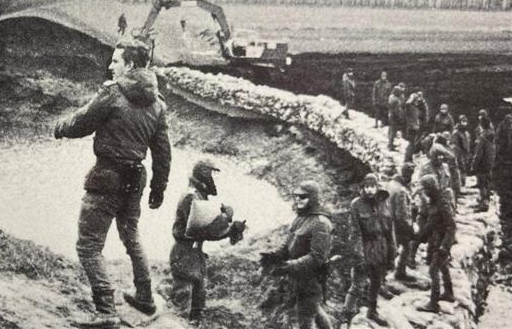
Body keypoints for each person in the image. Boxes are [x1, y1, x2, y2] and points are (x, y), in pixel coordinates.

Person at [54, 38, 171, 327]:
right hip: (135, 179)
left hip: (107, 177)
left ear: (130, 65)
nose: (110, 65)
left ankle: (105, 311)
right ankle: (144, 296)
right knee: (131, 235)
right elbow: (162, 152)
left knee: (88, 246)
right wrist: (159, 188)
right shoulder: (157, 103)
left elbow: (82, 123)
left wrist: (59, 127)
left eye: (116, 60)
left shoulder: (113, 93)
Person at [169, 160, 244, 324]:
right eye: (212, 174)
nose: (214, 179)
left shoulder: (197, 196)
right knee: (181, 312)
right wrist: (226, 221)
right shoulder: (192, 197)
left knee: (196, 308)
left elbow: (205, 229)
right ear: (204, 176)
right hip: (185, 256)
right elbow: (202, 230)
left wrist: (228, 226)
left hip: (193, 256)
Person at [260, 181, 334, 329]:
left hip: (310, 280)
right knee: (315, 310)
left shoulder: (321, 223)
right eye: (296, 196)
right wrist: (275, 256)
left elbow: (316, 258)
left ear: (313, 198)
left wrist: (288, 266)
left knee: (306, 320)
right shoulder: (300, 218)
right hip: (295, 277)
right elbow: (288, 245)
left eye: (303, 196)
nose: (298, 199)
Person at [342, 174, 396, 326]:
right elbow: (355, 233)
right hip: (365, 247)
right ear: (363, 188)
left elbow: (389, 229)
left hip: (381, 248)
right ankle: (347, 316)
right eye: (367, 187)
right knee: (357, 284)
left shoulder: (384, 202)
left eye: (373, 186)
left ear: (377, 186)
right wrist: (359, 257)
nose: (370, 190)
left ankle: (372, 311)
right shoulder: (356, 205)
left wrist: (392, 252)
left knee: (377, 280)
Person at [415, 174, 457, 314]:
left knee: (433, 269)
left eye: (426, 189)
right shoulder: (433, 201)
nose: (424, 192)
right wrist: (420, 237)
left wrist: (445, 246)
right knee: (443, 266)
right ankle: (449, 293)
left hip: (443, 240)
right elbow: (430, 223)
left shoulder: (442, 203)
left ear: (431, 188)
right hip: (437, 238)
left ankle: (433, 303)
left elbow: (451, 226)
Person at [384, 163, 417, 282]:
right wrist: (409, 227)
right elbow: (402, 214)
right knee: (406, 246)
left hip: (388, 220)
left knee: (391, 249)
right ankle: (399, 272)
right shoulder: (401, 191)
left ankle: (385, 276)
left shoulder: (391, 184)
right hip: (398, 225)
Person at [471, 112, 496, 213]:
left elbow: (478, 154)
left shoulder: (482, 137)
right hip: (489, 161)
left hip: (482, 163)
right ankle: (486, 200)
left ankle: (484, 204)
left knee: (481, 184)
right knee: (487, 182)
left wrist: (474, 164)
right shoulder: (492, 135)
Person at [450, 115, 472, 186]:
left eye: (465, 121)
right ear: (459, 122)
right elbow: (454, 144)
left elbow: (467, 143)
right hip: (458, 153)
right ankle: (458, 183)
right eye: (463, 121)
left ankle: (463, 182)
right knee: (459, 167)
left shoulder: (466, 132)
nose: (464, 123)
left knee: (463, 167)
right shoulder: (456, 132)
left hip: (464, 153)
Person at [387, 84, 405, 151]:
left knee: (391, 129)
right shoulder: (396, 99)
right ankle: (390, 146)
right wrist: (400, 117)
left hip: (390, 114)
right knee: (393, 131)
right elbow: (397, 110)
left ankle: (390, 143)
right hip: (394, 116)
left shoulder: (391, 96)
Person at [403, 93, 421, 162]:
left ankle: (409, 157)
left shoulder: (415, 107)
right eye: (416, 100)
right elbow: (407, 103)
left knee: (413, 143)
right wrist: (412, 97)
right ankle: (407, 158)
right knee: (411, 143)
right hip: (411, 127)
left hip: (414, 127)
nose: (417, 101)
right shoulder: (409, 107)